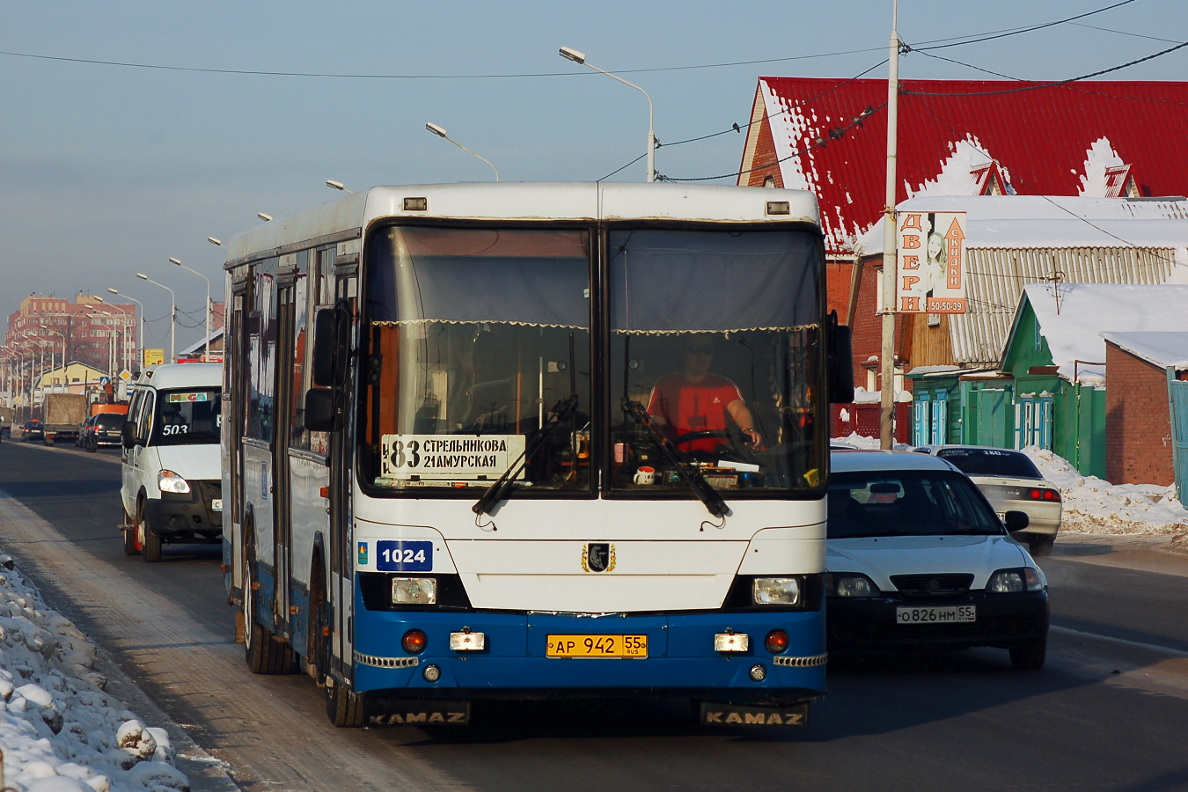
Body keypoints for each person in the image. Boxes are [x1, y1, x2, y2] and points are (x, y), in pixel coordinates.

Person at [646, 334, 761, 453]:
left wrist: (747, 429)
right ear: (683, 350)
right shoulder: (665, 384)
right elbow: (656, 420)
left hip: (719, 459)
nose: (701, 356)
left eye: (707, 350)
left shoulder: (724, 385)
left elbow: (739, 410)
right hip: (678, 460)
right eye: (694, 350)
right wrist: (659, 437)